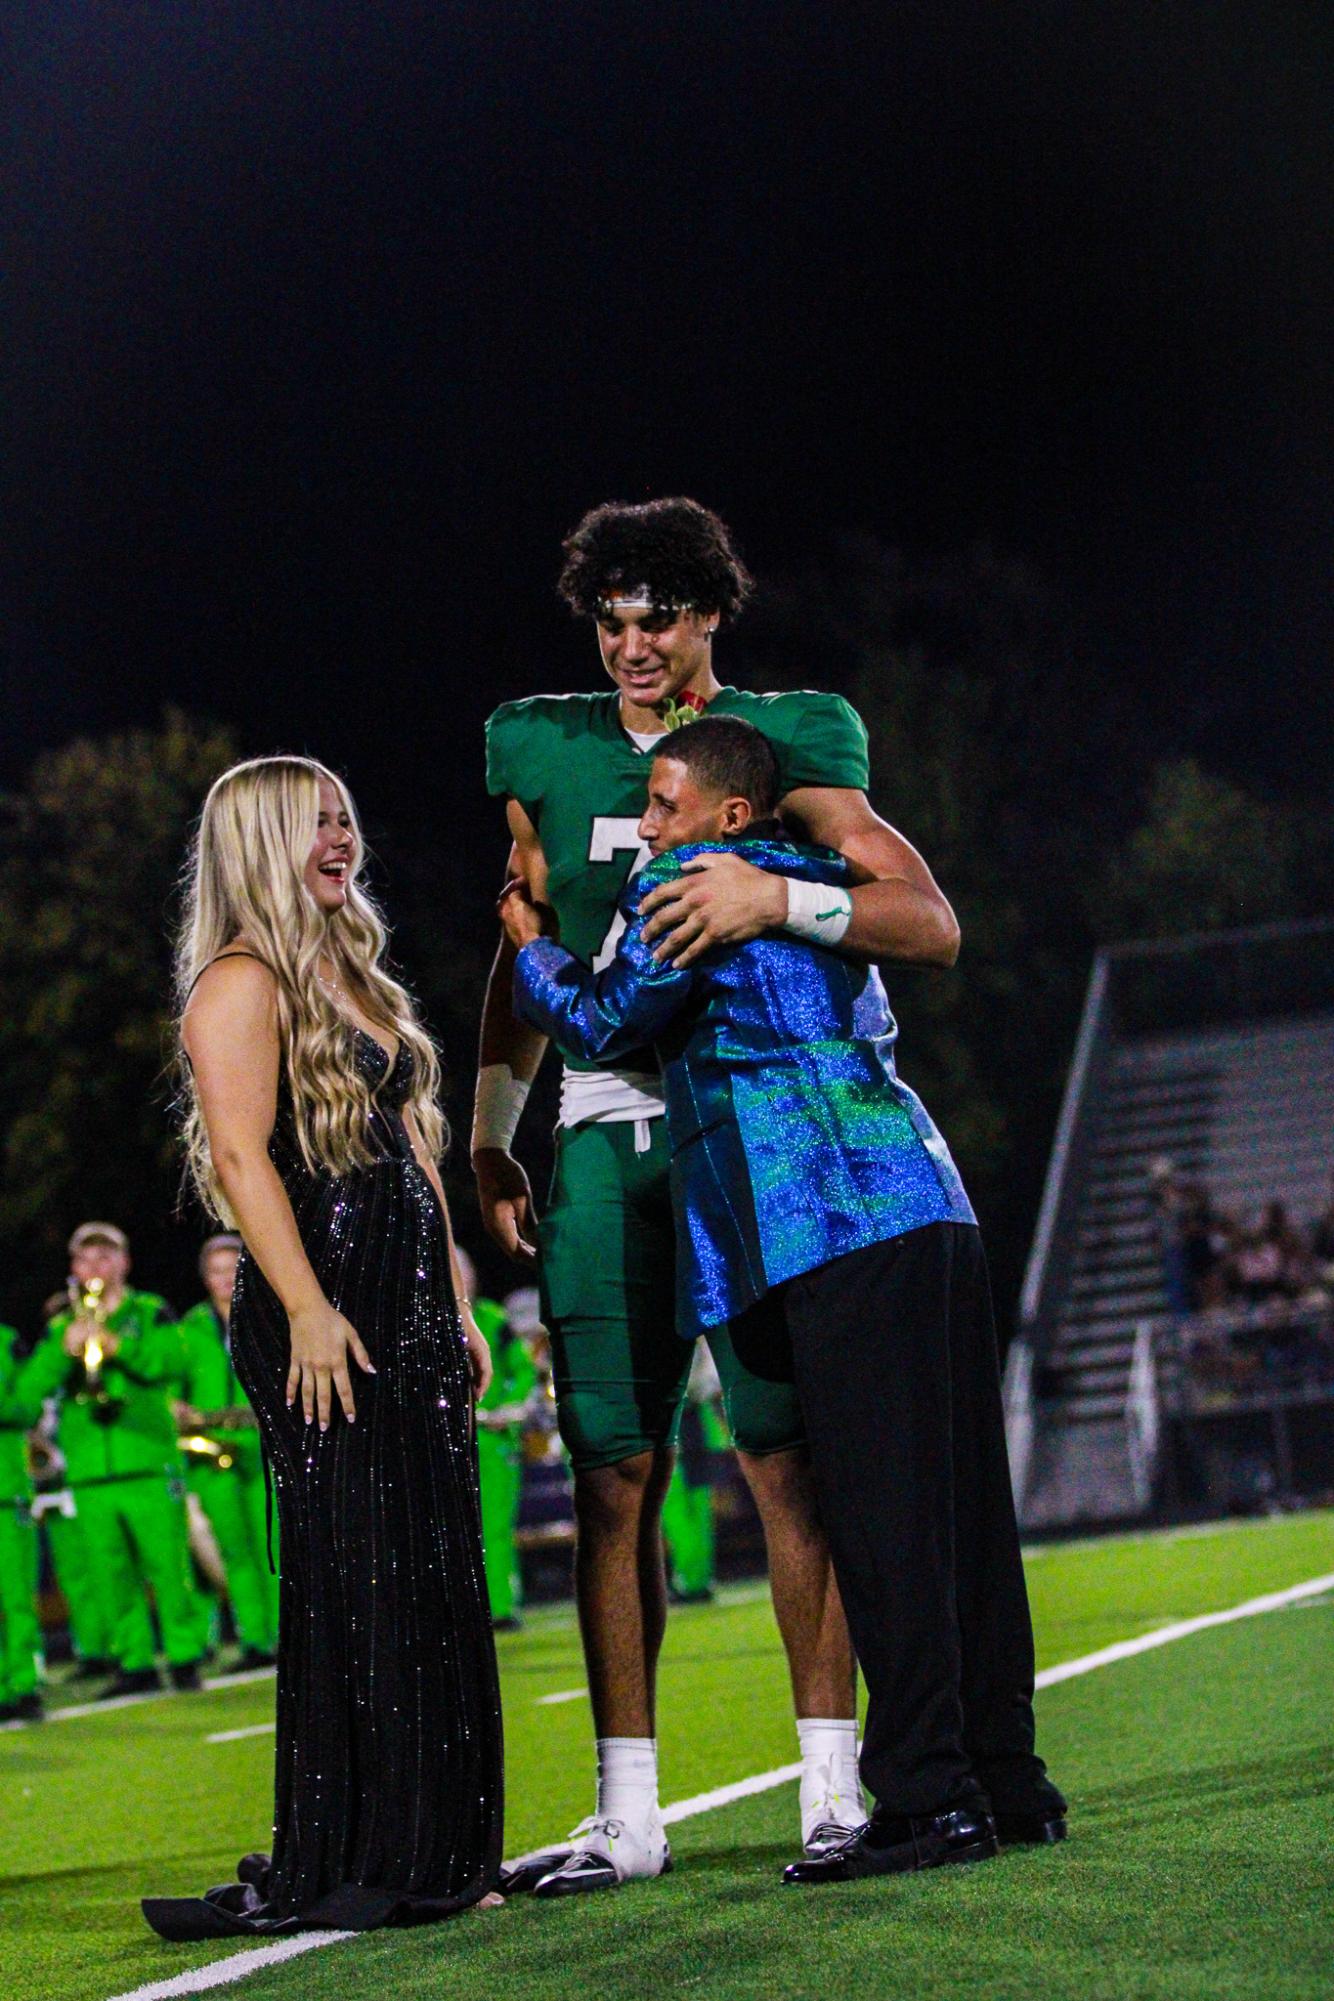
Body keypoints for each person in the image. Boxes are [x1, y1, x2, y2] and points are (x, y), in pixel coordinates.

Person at [477, 497, 960, 1894]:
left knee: (783, 1463)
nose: (632, 643)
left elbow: (900, 907)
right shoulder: (539, 745)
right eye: (610, 618)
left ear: (708, 615)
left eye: (659, 615)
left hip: (744, 1139)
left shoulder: (785, 736)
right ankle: (627, 1814)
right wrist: (490, 1126)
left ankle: (830, 1787)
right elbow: (517, 949)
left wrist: (774, 904)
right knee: (612, 1471)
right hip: (599, 1137)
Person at [502, 715, 1066, 1883]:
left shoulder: (690, 882)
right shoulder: (817, 870)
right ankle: (1006, 1780)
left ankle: (924, 1799)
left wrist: (528, 950)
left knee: (880, 1517)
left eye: (660, 806)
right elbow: (907, 918)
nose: (642, 827)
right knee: (963, 1512)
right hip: (926, 1199)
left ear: (726, 816)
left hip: (826, 1215)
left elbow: (604, 1021)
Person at [141, 754, 502, 1940]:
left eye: (345, 817)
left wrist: (451, 1304)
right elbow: (244, 1164)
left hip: (399, 1305)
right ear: (259, 845)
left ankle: (441, 1846)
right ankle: (366, 1847)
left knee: (435, 1567)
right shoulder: (236, 983)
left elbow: (413, 1154)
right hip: (319, 1310)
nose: (340, 839)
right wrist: (303, 1307)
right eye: (314, 825)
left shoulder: (352, 972)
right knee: (361, 1577)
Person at [18, 1224, 206, 1699]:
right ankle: (135, 1661)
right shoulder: (64, 1325)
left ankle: (185, 1656)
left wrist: (119, 1345)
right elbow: (29, 1392)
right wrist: (64, 1352)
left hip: (147, 1460)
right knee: (111, 1576)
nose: (96, 1268)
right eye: (86, 1260)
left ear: (124, 1263)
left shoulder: (149, 1311)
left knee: (168, 1567)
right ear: (74, 1269)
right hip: (89, 1471)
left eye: (106, 1257)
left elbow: (174, 1363)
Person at [175, 1234, 280, 1667]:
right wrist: (180, 1411)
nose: (225, 1279)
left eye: (233, 1269)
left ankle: (288, 1635)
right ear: (205, 1279)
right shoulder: (189, 1328)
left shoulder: (274, 1315)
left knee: (275, 1548)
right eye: (216, 1271)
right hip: (212, 1450)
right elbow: (170, 1385)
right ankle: (254, 1639)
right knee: (233, 1552)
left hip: (264, 1446)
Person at [660, 1344, 727, 1604]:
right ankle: (699, 1578)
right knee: (698, 1510)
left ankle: (691, 1580)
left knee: (678, 1509)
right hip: (697, 1422)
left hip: (678, 1422)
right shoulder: (695, 1338)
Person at [0, 1319, 43, 1721]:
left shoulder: (9, 1342)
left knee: (15, 1599)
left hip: (5, 1493)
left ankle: (25, 1685)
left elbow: (27, 1407)